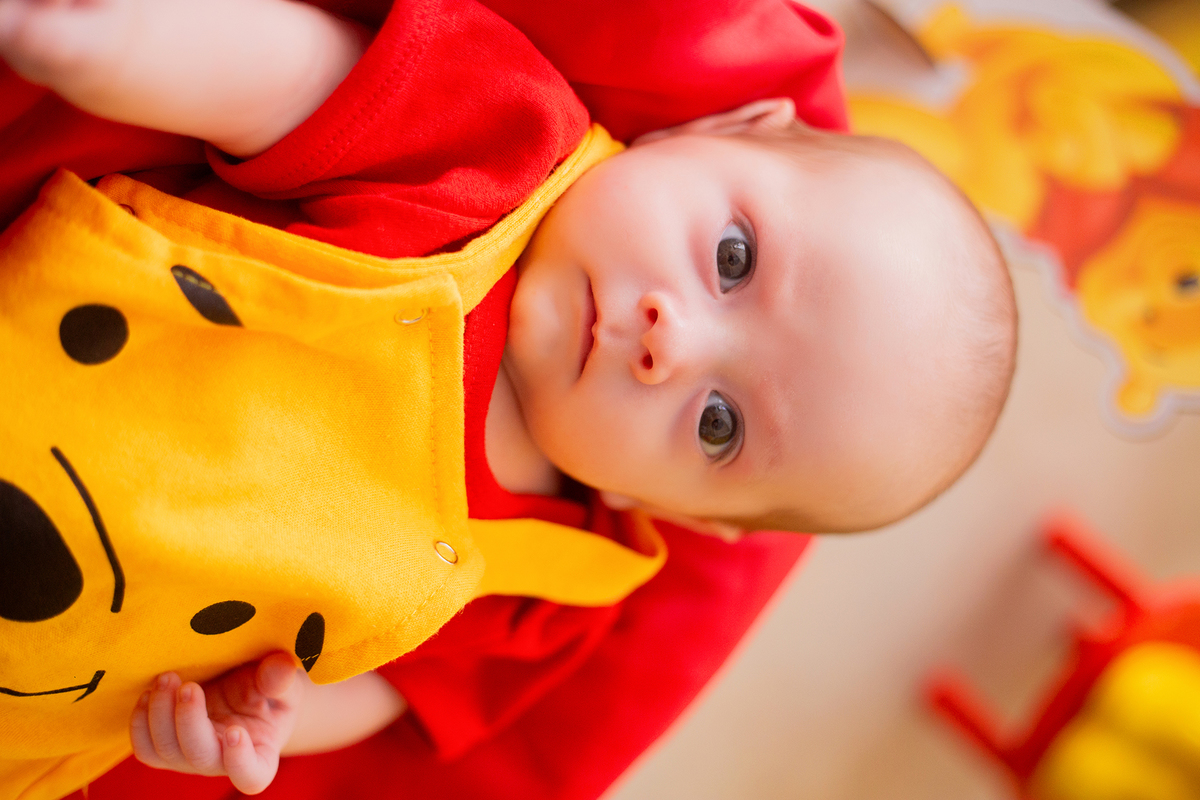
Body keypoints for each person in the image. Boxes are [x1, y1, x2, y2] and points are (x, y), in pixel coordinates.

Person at [0, 0, 1017, 797]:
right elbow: (296, 82)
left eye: (720, 423)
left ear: (689, 512)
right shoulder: (503, 146)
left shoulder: (556, 585)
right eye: (733, 258)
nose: (672, 340)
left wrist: (267, 718)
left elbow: (389, 685)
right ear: (730, 126)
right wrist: (117, 45)